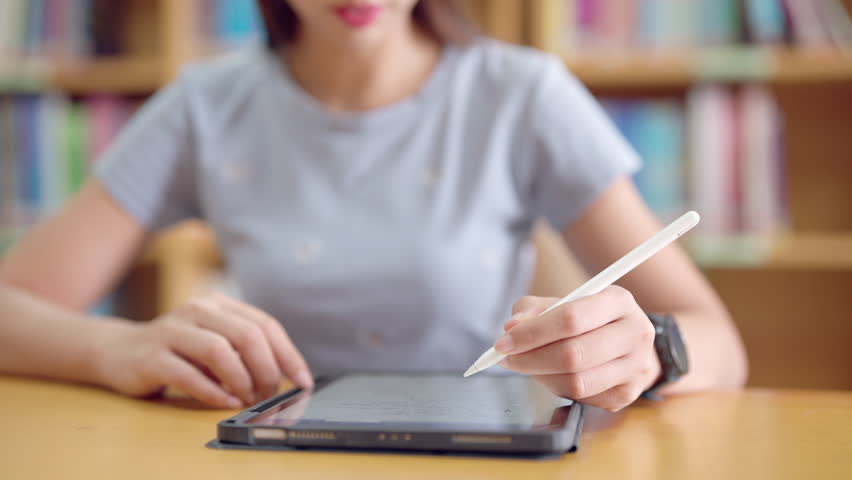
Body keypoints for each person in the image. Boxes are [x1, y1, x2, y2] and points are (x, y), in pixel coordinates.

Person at [0, 0, 747, 412]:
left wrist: (651, 351)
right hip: (284, 456)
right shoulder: (205, 108)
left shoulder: (522, 96)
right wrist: (115, 349)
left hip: (487, 458)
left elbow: (723, 345)